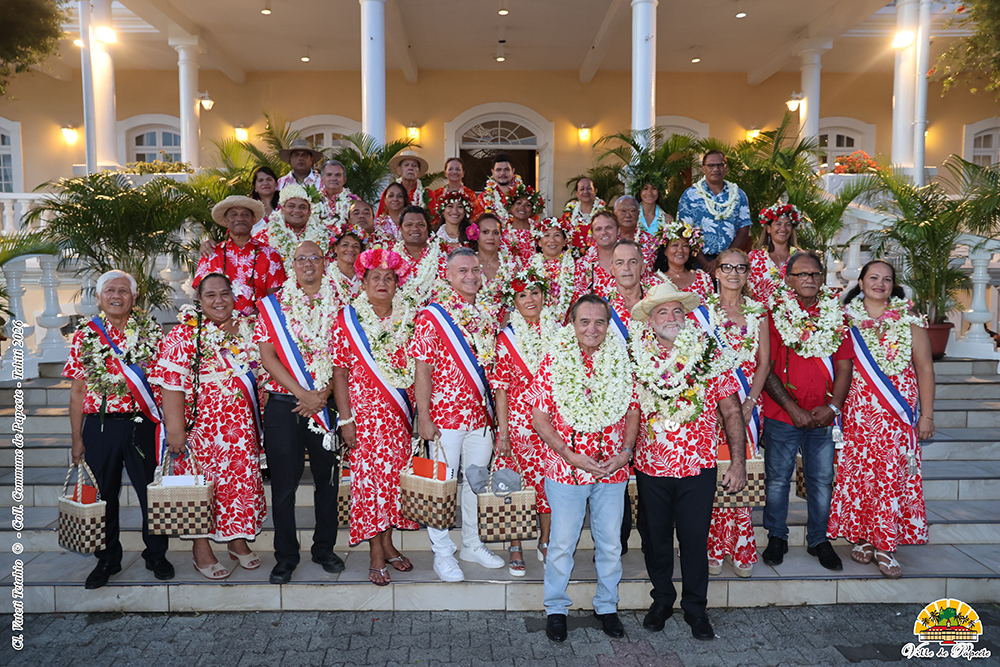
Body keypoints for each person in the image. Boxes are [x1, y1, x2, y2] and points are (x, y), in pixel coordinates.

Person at [629, 281, 746, 641]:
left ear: (686, 316)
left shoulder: (708, 353)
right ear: (650, 320)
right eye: (662, 311)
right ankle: (662, 600)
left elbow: (731, 410)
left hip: (698, 467)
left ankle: (696, 609)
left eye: (677, 310)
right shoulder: (635, 357)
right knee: (656, 539)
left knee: (695, 540)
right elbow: (628, 410)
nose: (671, 317)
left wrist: (738, 462)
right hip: (651, 467)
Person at [526, 294, 639, 642]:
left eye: (600, 322)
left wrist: (626, 452)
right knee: (561, 544)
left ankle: (607, 606)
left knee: (610, 545)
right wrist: (568, 454)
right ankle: (556, 609)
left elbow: (633, 410)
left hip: (612, 469)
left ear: (608, 325)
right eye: (585, 321)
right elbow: (539, 418)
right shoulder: (554, 360)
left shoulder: (623, 359)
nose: (592, 328)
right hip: (566, 470)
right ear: (572, 324)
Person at [63, 270, 173, 589]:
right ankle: (107, 558)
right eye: (110, 290)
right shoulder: (85, 334)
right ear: (99, 297)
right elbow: (77, 391)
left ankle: (156, 555)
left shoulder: (151, 331)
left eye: (123, 291)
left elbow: (165, 382)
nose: (116, 296)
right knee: (103, 495)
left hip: (143, 423)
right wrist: (76, 438)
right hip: (101, 426)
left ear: (134, 297)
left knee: (151, 493)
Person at [153, 273, 265, 580]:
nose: (219, 301)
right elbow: (170, 385)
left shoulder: (246, 329)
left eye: (224, 293)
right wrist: (175, 432)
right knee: (199, 489)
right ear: (199, 300)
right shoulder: (183, 334)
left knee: (238, 486)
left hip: (240, 431)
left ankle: (237, 540)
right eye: (210, 295)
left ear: (234, 296)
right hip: (201, 432)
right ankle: (200, 548)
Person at [827, 260, 933, 578]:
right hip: (858, 417)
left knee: (889, 478)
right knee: (862, 476)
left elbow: (925, 368)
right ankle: (864, 537)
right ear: (860, 283)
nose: (880, 283)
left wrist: (927, 415)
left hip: (897, 417)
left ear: (893, 285)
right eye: (873, 277)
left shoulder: (910, 319)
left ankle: (885, 546)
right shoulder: (844, 320)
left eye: (887, 279)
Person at [407, 247, 504, 582]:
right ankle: (442, 553)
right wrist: (423, 416)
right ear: (448, 276)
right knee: (441, 485)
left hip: (480, 417)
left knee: (475, 483)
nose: (470, 276)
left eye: (475, 270)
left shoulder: (488, 313)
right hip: (444, 418)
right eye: (462, 271)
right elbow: (423, 369)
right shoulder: (432, 316)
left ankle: (472, 544)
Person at [254, 240, 344, 584]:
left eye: (314, 257)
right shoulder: (273, 306)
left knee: (327, 481)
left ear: (325, 263)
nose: (308, 263)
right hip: (284, 404)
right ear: (292, 265)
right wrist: (303, 394)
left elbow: (344, 357)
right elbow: (268, 357)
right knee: (284, 486)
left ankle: (324, 548)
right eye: (301, 258)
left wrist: (323, 394)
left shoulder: (341, 304)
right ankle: (286, 556)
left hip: (325, 403)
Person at [332, 248, 420, 586]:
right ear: (363, 282)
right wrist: (346, 420)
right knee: (371, 487)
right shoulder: (348, 320)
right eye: (375, 277)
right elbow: (340, 373)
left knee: (394, 484)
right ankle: (375, 554)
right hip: (364, 418)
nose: (382, 283)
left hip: (398, 418)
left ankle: (388, 544)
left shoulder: (410, 317)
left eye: (388, 278)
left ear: (397, 284)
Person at [762, 250, 853, 572]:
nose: (809, 279)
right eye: (802, 274)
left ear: (822, 278)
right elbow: (766, 368)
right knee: (777, 481)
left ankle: (818, 539)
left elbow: (845, 367)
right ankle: (777, 536)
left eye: (815, 274)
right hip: (782, 415)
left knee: (821, 481)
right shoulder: (774, 315)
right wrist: (792, 409)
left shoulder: (836, 314)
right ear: (788, 279)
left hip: (823, 416)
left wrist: (833, 407)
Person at [702, 249, 769, 578]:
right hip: (711, 408)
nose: (733, 273)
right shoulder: (702, 311)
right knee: (713, 473)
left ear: (747, 273)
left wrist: (749, 403)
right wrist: (715, 406)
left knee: (740, 469)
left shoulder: (759, 312)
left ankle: (741, 546)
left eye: (740, 268)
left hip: (748, 406)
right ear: (716, 272)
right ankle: (712, 546)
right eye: (726, 267)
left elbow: (764, 363)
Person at [493, 267, 558, 573]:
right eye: (522, 295)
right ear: (514, 302)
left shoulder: (559, 332)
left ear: (544, 296)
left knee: (550, 485)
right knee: (514, 487)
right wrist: (504, 433)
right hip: (518, 427)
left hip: (552, 424)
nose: (530, 299)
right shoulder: (506, 338)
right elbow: (501, 388)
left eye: (535, 292)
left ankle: (546, 540)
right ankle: (515, 545)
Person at [194, 196, 286, 313]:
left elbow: (274, 298)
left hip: (258, 322)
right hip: (219, 322)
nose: (240, 218)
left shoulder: (270, 255)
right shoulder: (211, 254)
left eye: (245, 214)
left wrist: (251, 320)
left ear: (253, 219)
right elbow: (202, 296)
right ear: (225, 221)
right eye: (233, 215)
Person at [677, 150, 751, 273]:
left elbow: (744, 230)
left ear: (726, 168)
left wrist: (721, 260)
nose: (716, 169)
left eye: (720, 165)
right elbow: (685, 231)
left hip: (730, 262)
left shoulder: (738, 195)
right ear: (703, 169)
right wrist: (706, 264)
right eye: (711, 165)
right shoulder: (690, 195)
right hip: (698, 261)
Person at [254, 184, 336, 267]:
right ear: (282, 209)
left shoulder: (326, 238)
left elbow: (331, 268)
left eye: (302, 207)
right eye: (291, 206)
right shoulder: (261, 239)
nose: (297, 210)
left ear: (309, 212)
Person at [529, 216, 590, 322]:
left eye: (557, 235)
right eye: (546, 235)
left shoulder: (576, 267)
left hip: (569, 324)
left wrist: (570, 326)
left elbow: (580, 302)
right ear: (539, 242)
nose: (552, 240)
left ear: (565, 241)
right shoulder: (530, 268)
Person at [392, 205, 448, 308]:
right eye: (409, 225)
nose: (415, 229)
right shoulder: (390, 260)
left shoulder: (443, 259)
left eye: (421, 225)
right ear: (401, 229)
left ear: (428, 229)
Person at [468, 213, 518, 324]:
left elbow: (517, 299)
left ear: (500, 236)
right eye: (485, 232)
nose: (491, 237)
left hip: (507, 325)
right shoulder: (468, 264)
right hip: (474, 324)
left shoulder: (510, 265)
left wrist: (505, 327)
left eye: (495, 233)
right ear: (476, 235)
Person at [748, 203, 801, 305]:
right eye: (778, 224)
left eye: (788, 224)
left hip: (795, 312)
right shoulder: (754, 257)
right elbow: (745, 288)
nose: (783, 228)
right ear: (768, 228)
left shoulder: (801, 257)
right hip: (760, 312)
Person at [652, 218, 714, 301]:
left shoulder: (703, 278)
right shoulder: (654, 282)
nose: (680, 250)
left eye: (685, 246)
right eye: (675, 245)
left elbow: (713, 305)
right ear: (665, 251)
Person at [376, 149, 430, 216]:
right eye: (406, 165)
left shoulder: (428, 194)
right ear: (399, 170)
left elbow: (433, 220)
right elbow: (380, 218)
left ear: (419, 172)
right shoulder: (389, 194)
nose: (410, 168)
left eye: (414, 165)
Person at [613, 195, 658, 273]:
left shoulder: (651, 241)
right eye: (623, 211)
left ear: (638, 213)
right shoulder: (607, 240)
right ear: (615, 213)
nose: (628, 215)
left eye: (632, 211)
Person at [580, 210, 620, 298]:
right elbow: (578, 300)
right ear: (593, 234)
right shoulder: (583, 264)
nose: (604, 232)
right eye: (598, 229)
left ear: (618, 230)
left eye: (609, 227)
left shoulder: (633, 258)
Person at [562, 177, 607, 254]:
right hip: (571, 258)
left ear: (595, 191)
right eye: (582, 189)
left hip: (597, 257)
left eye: (589, 188)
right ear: (576, 193)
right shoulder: (568, 215)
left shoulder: (604, 215)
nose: (585, 192)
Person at [504, 181, 545, 263]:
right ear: (511, 207)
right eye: (519, 203)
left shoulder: (539, 233)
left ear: (532, 211)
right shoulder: (502, 232)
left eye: (528, 205)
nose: (522, 207)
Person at [475, 153, 522, 221]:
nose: (502, 173)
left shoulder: (524, 197)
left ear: (513, 171)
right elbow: (476, 223)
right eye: (498, 170)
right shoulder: (483, 198)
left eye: (507, 169)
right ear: (492, 172)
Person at [430, 157, 476, 224]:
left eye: (458, 169)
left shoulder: (469, 194)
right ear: (445, 173)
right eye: (450, 169)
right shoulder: (436, 194)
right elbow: (433, 218)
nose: (454, 172)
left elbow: (472, 218)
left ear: (463, 173)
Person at [317, 159, 358, 230]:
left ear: (344, 180)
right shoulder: (313, 200)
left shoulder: (354, 201)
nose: (333, 178)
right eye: (329, 175)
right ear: (322, 179)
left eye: (338, 175)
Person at [328, 228, 365, 306]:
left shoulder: (367, 275)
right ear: (335, 248)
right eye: (345, 245)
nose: (350, 249)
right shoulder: (326, 275)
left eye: (356, 246)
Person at [249, 166, 280, 236]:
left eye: (269, 179)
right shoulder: (249, 207)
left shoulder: (286, 204)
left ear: (276, 184)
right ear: (255, 186)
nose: (265, 183)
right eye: (260, 180)